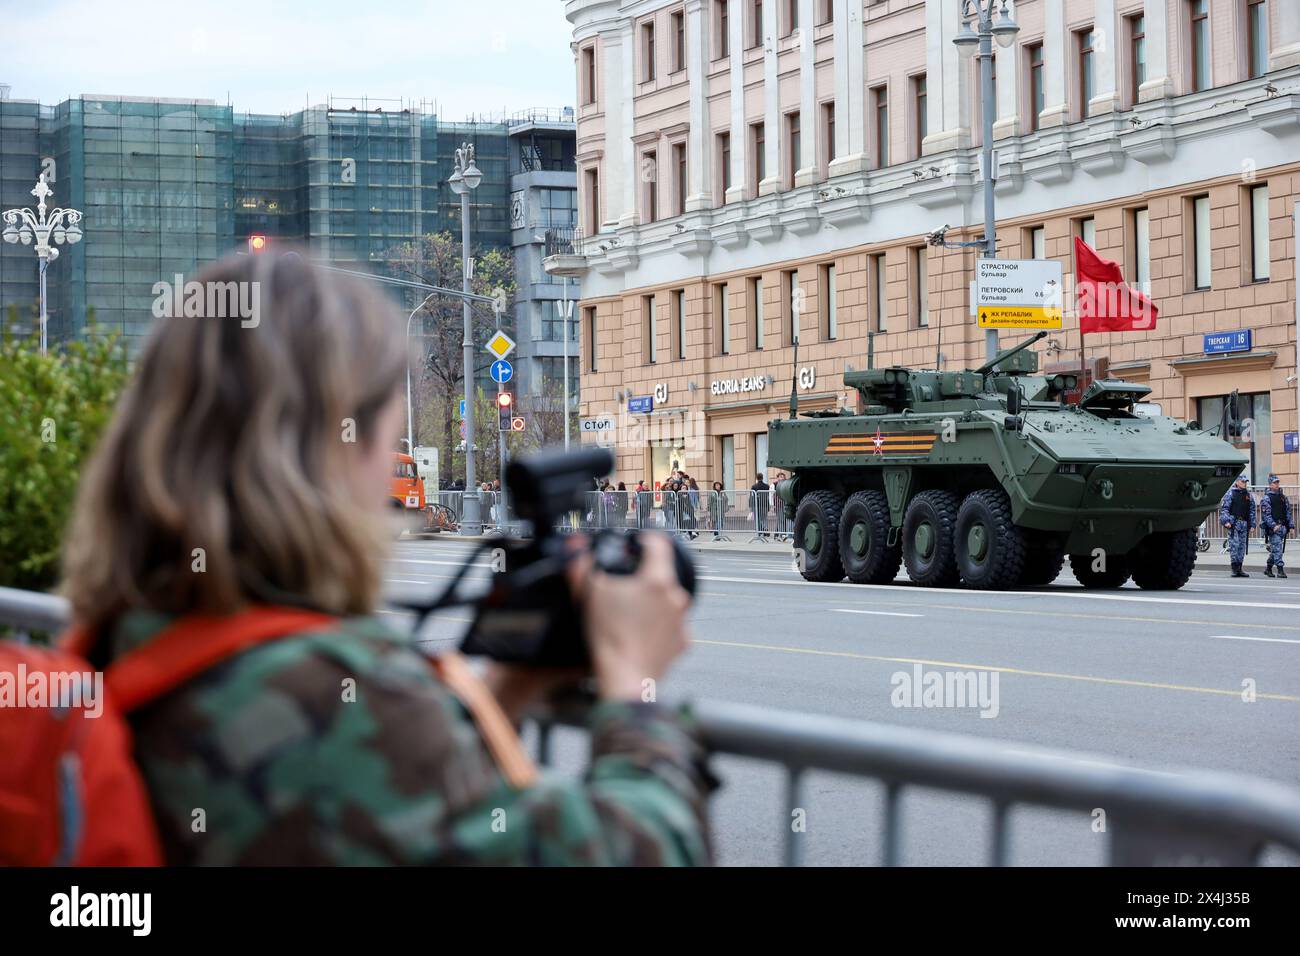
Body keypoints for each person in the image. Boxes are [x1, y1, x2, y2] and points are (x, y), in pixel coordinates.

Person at [60, 250, 712, 866]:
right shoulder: (329, 698)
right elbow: (636, 850)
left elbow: (372, 815)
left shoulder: (126, 638)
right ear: (335, 447)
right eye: (386, 432)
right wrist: (634, 686)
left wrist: (498, 697)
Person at [1219, 473, 1257, 578]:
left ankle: (1240, 568)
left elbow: (1252, 510)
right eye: (1242, 481)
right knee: (1234, 546)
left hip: (1244, 523)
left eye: (1245, 482)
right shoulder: (1230, 494)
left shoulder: (1248, 495)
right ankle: (1234, 568)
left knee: (1242, 546)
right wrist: (1226, 521)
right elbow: (1225, 509)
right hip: (1234, 523)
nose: (1244, 484)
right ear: (1237, 482)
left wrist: (1252, 524)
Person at [1261, 474, 1292, 578]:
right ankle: (1280, 570)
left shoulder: (1283, 497)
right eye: (1275, 483)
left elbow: (1288, 511)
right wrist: (1273, 525)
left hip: (1283, 527)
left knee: (1275, 549)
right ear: (1270, 485)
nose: (1277, 484)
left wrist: (1290, 525)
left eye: (1278, 482)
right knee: (1278, 548)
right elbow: (1266, 515)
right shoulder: (1266, 498)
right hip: (1274, 528)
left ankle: (1268, 568)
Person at [750, 474, 770, 538]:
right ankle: (766, 530)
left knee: (757, 519)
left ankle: (760, 531)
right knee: (764, 518)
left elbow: (752, 496)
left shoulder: (754, 486)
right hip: (765, 504)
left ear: (756, 478)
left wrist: (751, 506)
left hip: (757, 505)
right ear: (762, 478)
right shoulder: (767, 486)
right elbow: (767, 496)